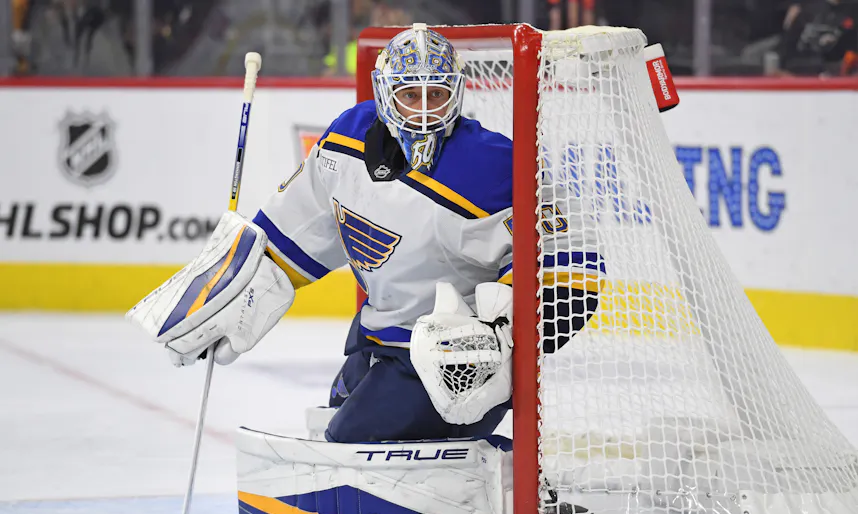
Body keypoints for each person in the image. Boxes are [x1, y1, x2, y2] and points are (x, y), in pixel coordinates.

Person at [127, 24, 600, 445]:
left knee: (348, 446)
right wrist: (228, 288)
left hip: (456, 365)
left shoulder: (496, 165)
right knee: (338, 414)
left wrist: (497, 333)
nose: (422, 112)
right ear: (383, 93)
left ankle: (508, 478)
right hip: (377, 339)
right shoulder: (347, 141)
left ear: (455, 93)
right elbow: (291, 237)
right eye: (409, 96)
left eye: (435, 94)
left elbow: (573, 267)